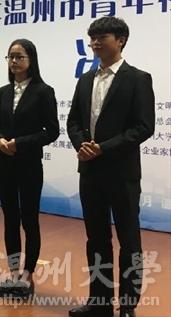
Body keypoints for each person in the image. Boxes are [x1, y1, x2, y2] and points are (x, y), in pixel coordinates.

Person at [67, 17, 155, 317]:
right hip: (90, 172)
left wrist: (103, 148)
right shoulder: (85, 80)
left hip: (122, 172)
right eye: (92, 38)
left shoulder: (138, 79)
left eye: (101, 37)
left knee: (129, 240)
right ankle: (99, 302)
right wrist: (82, 145)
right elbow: (73, 121)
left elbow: (143, 127)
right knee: (96, 239)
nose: (95, 43)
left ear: (120, 40)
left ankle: (128, 306)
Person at [0, 39, 59, 299]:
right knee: (10, 218)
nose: (14, 61)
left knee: (29, 219)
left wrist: (20, 143)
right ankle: (13, 272)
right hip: (4, 162)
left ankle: (28, 276)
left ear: (31, 60)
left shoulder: (43, 91)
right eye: (11, 56)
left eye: (20, 56)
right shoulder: (4, 91)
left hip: (28, 163)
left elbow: (51, 131)